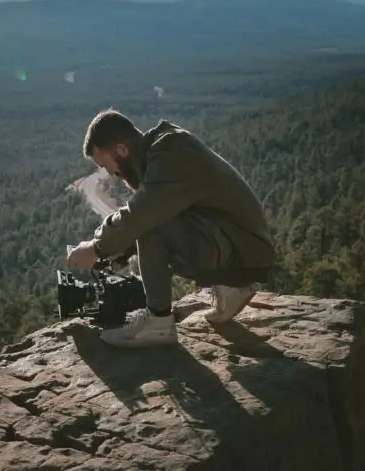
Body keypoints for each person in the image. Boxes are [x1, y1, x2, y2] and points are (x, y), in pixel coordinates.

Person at [66, 108, 277, 348]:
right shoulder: (163, 151)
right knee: (151, 219)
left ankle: (159, 324)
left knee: (150, 222)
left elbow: (143, 214)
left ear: (121, 149)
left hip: (244, 251)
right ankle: (231, 287)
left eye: (105, 164)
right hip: (240, 245)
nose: (109, 174)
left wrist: (96, 247)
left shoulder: (172, 154)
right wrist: (118, 252)